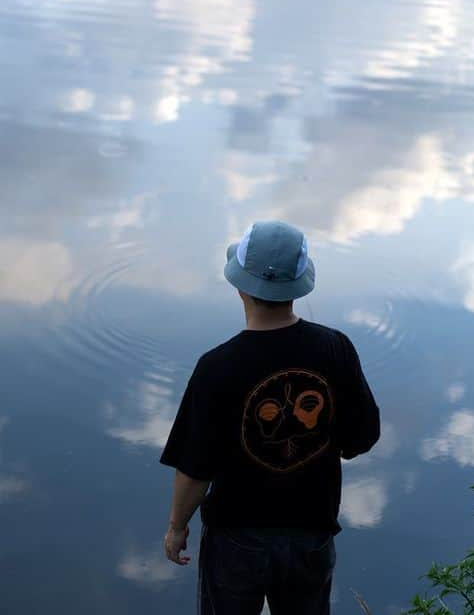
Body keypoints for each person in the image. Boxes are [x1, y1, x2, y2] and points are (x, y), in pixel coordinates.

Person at [160, 221, 380, 615]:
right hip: (311, 531)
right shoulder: (336, 348)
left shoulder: (216, 367)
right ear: (298, 285)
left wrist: (177, 527)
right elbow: (361, 438)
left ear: (240, 285)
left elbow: (195, 470)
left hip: (235, 538)